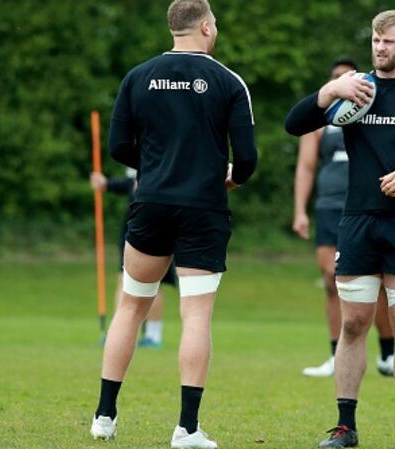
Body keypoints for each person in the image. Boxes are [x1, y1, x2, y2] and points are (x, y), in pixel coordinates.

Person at [286, 9, 395, 449]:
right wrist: (330, 90)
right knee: (353, 324)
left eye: (389, 41)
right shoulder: (357, 90)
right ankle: (345, 427)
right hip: (358, 221)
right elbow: (295, 124)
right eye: (375, 40)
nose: (380, 48)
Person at [89, 0, 257, 448]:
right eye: (214, 23)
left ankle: (104, 415)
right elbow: (247, 158)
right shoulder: (228, 81)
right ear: (205, 27)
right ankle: (186, 429)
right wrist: (231, 178)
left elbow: (119, 146)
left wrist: (155, 166)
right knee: (196, 314)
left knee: (131, 306)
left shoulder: (138, 76)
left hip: (151, 203)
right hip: (203, 207)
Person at [292, 57, 395, 378]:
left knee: (376, 280)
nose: (341, 80)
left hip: (366, 204)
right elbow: (306, 166)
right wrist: (299, 211)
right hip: (329, 205)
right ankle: (337, 354)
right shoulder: (321, 119)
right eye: (335, 76)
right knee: (331, 279)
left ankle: (388, 353)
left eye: (347, 75)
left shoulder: (374, 109)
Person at [90, 168, 176, 349]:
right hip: (140, 228)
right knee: (127, 281)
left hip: (151, 227)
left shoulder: (157, 170)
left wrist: (107, 184)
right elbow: (129, 183)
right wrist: (106, 184)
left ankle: (149, 335)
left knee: (150, 283)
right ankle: (122, 333)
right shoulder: (145, 172)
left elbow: (133, 182)